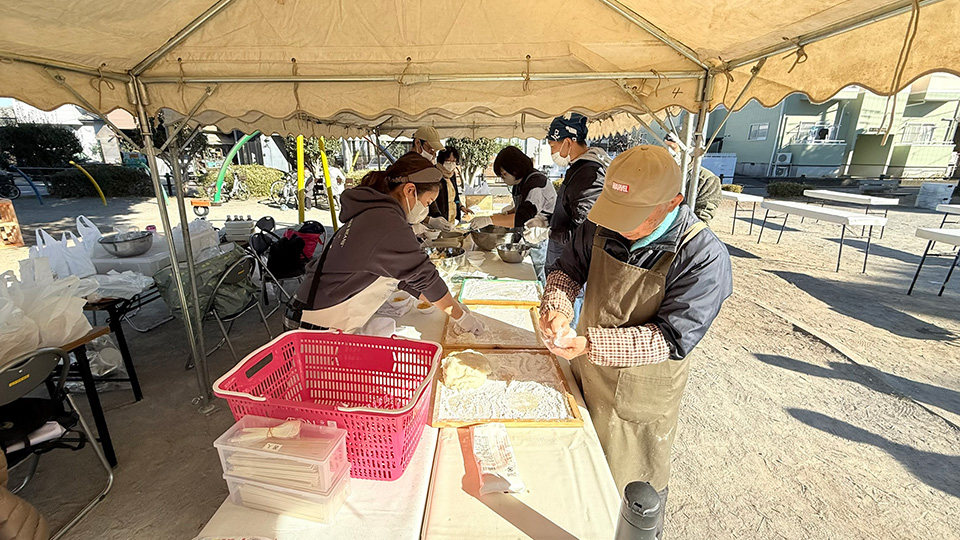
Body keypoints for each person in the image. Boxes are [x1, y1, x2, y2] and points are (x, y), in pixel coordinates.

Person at [539, 145, 732, 536]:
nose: (620, 225)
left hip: (641, 396)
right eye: (616, 211)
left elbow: (669, 338)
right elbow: (566, 271)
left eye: (635, 216)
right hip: (585, 374)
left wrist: (591, 345)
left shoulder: (703, 257)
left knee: (629, 498)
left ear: (673, 202)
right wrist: (557, 307)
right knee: (576, 480)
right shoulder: (601, 224)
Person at [283, 153, 486, 336]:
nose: (426, 209)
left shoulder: (376, 213)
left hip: (312, 312)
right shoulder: (387, 222)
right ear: (410, 190)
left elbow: (404, 278)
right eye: (427, 202)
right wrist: (460, 316)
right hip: (313, 322)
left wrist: (449, 304)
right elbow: (426, 278)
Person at [544, 112, 610, 327]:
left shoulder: (589, 174)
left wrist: (548, 232)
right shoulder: (578, 169)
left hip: (574, 272)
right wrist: (547, 221)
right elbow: (571, 212)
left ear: (568, 142)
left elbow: (584, 232)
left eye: (553, 146)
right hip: (563, 260)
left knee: (563, 329)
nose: (552, 152)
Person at [476, 146, 557, 283]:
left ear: (515, 168)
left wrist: (489, 219)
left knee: (536, 276)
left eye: (504, 174)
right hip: (528, 235)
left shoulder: (536, 184)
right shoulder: (520, 182)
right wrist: (508, 212)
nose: (503, 178)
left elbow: (523, 218)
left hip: (540, 238)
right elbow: (523, 206)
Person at [663, 133, 721, 227]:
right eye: (664, 147)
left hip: (683, 230)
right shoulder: (658, 173)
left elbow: (701, 220)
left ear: (689, 150)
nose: (667, 152)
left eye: (672, 148)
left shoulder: (707, 180)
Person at [427, 146, 467, 229]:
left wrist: (461, 206)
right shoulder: (434, 173)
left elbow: (455, 197)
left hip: (451, 218)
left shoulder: (452, 175)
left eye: (454, 161)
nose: (451, 164)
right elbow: (431, 199)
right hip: (438, 219)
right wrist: (437, 215)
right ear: (441, 160)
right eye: (448, 161)